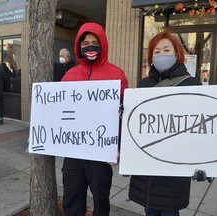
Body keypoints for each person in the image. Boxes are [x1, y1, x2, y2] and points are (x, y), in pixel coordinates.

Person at [128, 30, 203, 216]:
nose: (162, 54)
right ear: (151, 57)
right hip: (148, 168)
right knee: (150, 210)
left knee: (170, 212)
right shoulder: (143, 85)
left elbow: (201, 130)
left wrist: (204, 163)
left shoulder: (192, 85)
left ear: (177, 54)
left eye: (167, 49)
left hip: (174, 169)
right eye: (157, 51)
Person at [61, 22, 128, 216]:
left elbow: (123, 115)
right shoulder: (69, 75)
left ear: (103, 44)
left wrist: (118, 146)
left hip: (101, 154)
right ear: (79, 47)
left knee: (101, 200)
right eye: (85, 43)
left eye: (94, 42)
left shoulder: (117, 75)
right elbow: (58, 112)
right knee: (72, 198)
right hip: (73, 152)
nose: (89, 46)